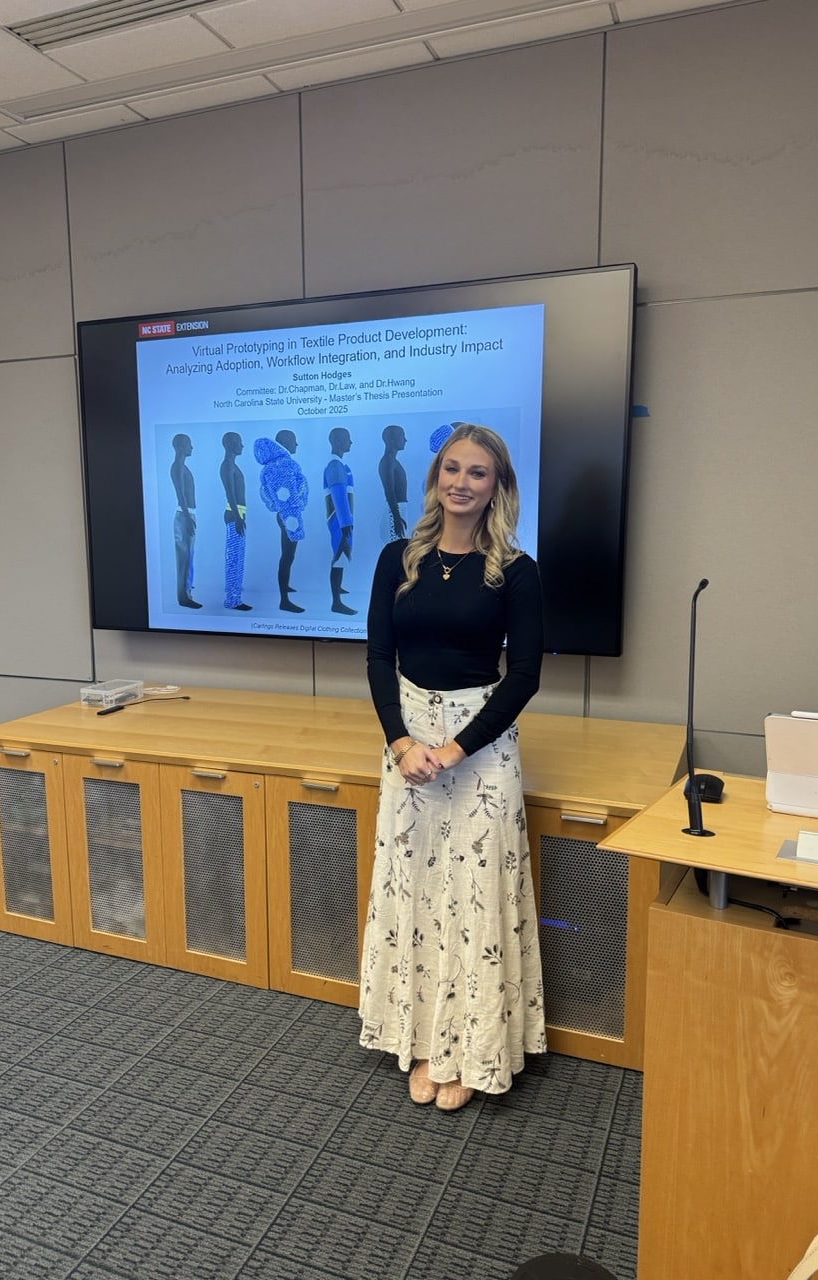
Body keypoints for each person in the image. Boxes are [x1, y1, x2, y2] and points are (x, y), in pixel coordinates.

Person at [359, 423, 546, 1113]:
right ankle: (421, 1041)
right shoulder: (396, 559)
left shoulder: (516, 571)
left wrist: (455, 750)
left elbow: (522, 676)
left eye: (478, 473)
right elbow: (379, 657)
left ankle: (472, 1051)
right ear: (436, 476)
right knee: (417, 893)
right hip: (408, 746)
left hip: (481, 749)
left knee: (474, 900)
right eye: (452, 468)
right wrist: (402, 743)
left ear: (497, 486)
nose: (462, 482)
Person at [254, 428, 309, 613]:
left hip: (288, 515)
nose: (296, 444)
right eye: (294, 440)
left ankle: (285, 586)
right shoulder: (282, 466)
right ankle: (284, 600)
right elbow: (286, 496)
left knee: (289, 555)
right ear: (285, 443)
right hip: (289, 516)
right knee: (287, 556)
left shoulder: (279, 465)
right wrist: (294, 522)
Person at [323, 426, 356, 616]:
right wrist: (345, 523)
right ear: (336, 441)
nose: (350, 442)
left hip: (342, 518)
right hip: (339, 519)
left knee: (341, 555)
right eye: (347, 439)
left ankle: (338, 587)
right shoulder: (335, 466)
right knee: (339, 555)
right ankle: (336, 602)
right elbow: (339, 495)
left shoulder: (338, 464)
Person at [170, 432, 201, 608]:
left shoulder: (182, 466)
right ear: (181, 446)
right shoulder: (177, 467)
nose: (192, 447)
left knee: (188, 556)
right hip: (184, 516)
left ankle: (187, 592)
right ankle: (183, 597)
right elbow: (180, 494)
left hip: (188, 515)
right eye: (189, 444)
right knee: (184, 558)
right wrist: (188, 518)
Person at [220, 431, 251, 611]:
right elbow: (230, 493)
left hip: (238, 514)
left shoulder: (232, 465)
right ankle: (232, 600)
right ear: (231, 444)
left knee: (238, 558)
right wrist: (238, 518)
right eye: (239, 442)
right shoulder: (227, 466)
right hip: (234, 515)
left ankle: (235, 598)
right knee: (234, 558)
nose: (242, 446)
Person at [378, 423, 408, 541]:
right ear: (392, 439)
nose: (405, 440)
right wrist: (396, 517)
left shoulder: (392, 461)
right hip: (394, 513)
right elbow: (389, 491)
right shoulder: (387, 461)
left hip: (398, 511)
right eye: (402, 436)